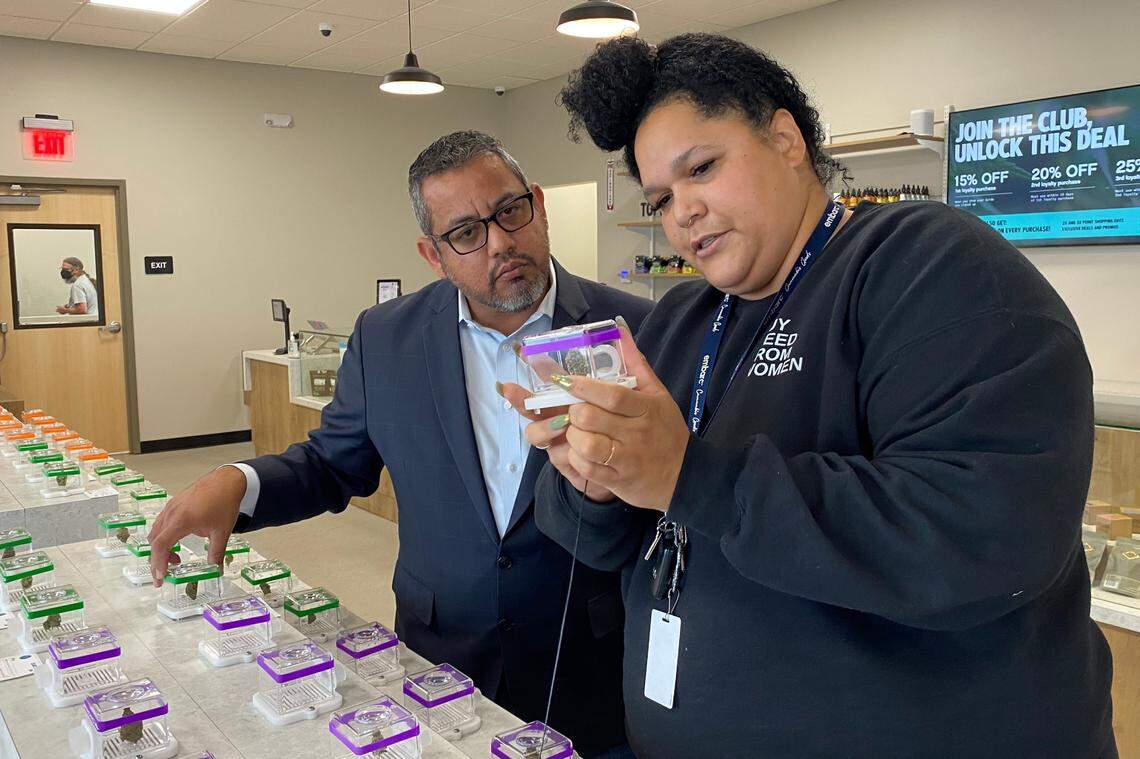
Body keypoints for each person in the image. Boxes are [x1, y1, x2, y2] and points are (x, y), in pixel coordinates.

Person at [510, 34, 1116, 757]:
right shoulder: (679, 320)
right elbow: (604, 540)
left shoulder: (933, 266)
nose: (683, 214)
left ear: (786, 137)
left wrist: (687, 473)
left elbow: (981, 536)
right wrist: (595, 478)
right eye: (663, 199)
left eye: (702, 168)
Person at [148, 130, 652, 756]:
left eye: (510, 211)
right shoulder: (388, 338)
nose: (499, 242)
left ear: (539, 205)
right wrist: (240, 483)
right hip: (438, 662)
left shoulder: (638, 331)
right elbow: (334, 465)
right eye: (465, 233)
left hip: (590, 662)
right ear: (432, 254)